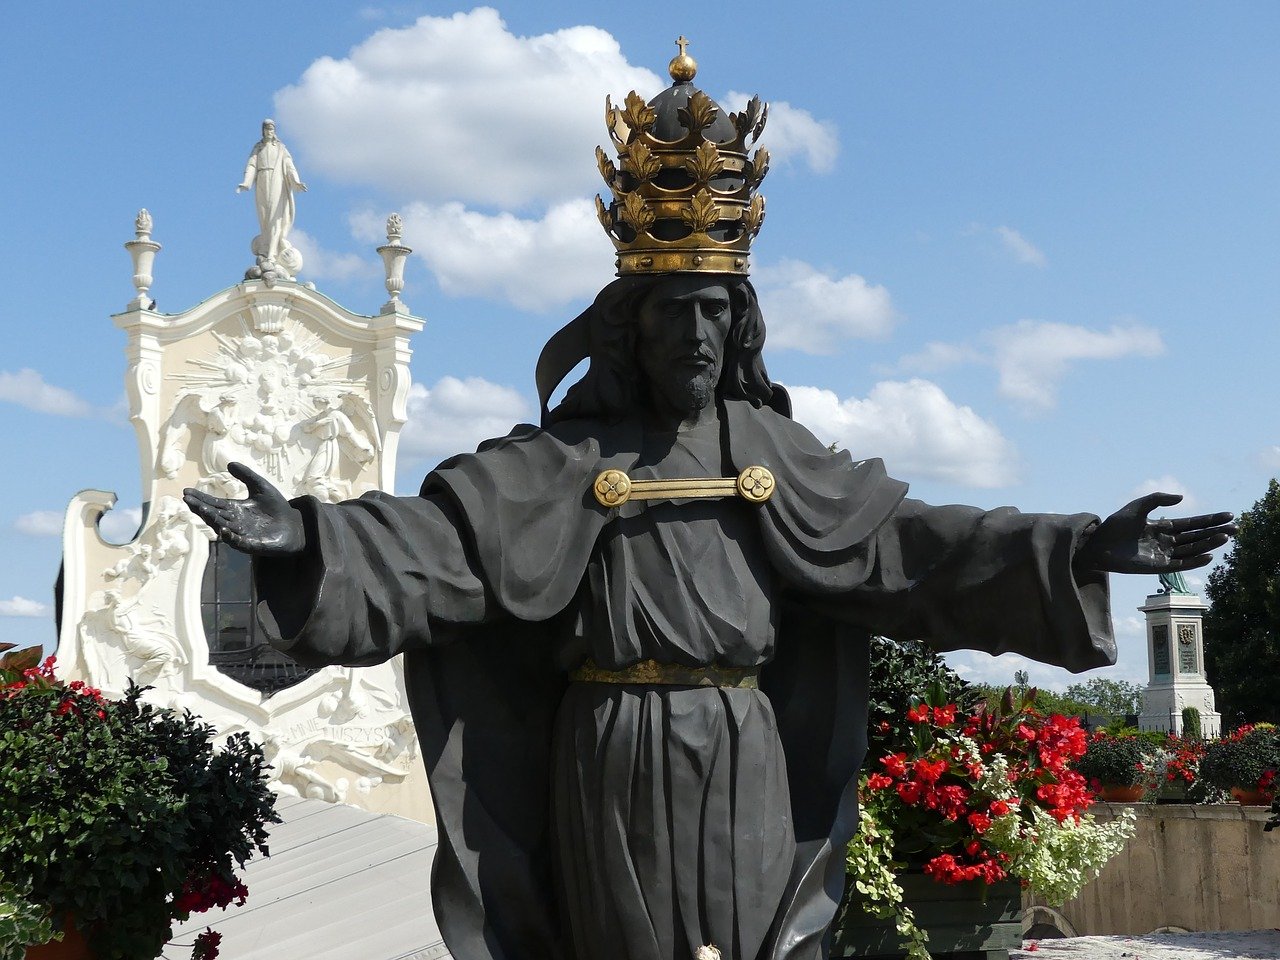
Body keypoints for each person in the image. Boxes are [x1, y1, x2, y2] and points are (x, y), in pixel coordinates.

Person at [185, 44, 1234, 960]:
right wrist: (311, 538)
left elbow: (916, 550)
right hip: (612, 746)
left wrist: (1075, 549)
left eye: (713, 315)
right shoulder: (563, 459)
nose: (692, 336)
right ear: (628, 326)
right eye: (672, 313)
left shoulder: (769, 454)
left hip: (742, 748)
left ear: (740, 329)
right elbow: (438, 544)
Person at [236, 119, 306, 268]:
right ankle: (267, 247)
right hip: (262, 180)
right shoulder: (258, 148)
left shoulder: (281, 148)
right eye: (267, 129)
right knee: (265, 219)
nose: (269, 132)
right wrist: (247, 183)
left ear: (274, 132)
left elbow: (289, 166)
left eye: (271, 129)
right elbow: (252, 165)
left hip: (276, 181)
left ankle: (272, 254)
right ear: (263, 131)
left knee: (275, 217)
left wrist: (296, 182)